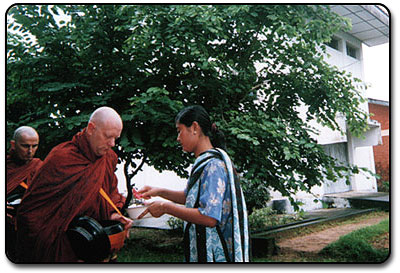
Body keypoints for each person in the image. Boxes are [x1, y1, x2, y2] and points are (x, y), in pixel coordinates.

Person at [16, 106, 133, 262]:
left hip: (97, 241)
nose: (112, 143)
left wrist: (114, 214)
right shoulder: (61, 158)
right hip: (64, 245)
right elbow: (33, 210)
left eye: (116, 138)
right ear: (91, 129)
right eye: (108, 137)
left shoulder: (108, 158)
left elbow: (110, 192)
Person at [138, 105, 250, 262]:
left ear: (195, 128)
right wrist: (159, 191)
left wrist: (165, 208)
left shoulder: (213, 166)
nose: (178, 138)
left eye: (179, 130)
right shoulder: (205, 163)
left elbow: (209, 217)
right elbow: (190, 197)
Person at [6, 126, 42, 261]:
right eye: (25, 146)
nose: (30, 151)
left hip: (32, 230)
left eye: (34, 146)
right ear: (13, 144)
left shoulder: (39, 167)